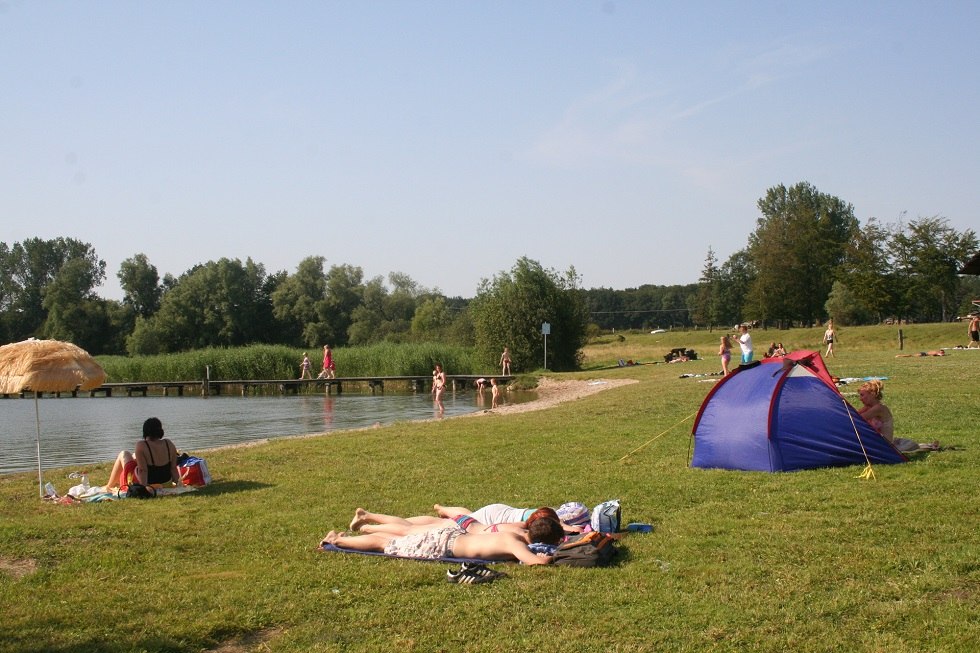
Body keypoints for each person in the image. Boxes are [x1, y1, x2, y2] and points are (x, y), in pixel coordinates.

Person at [321, 516, 562, 565]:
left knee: (399, 538)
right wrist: (546, 557)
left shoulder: (513, 535)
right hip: (444, 545)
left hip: (452, 537)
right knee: (386, 545)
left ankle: (350, 535)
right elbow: (534, 562)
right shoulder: (516, 545)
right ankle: (338, 541)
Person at [857, 380, 938, 452]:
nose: (860, 399)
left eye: (862, 395)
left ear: (873, 394)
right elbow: (854, 415)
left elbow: (857, 419)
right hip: (876, 442)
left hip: (885, 445)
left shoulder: (879, 408)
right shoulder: (868, 407)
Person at [105, 417, 183, 488]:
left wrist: (143, 488)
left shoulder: (142, 445)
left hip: (149, 483)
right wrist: (178, 484)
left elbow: (143, 470)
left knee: (124, 454)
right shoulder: (168, 443)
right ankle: (111, 484)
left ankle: (109, 486)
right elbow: (173, 468)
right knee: (134, 456)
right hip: (166, 483)